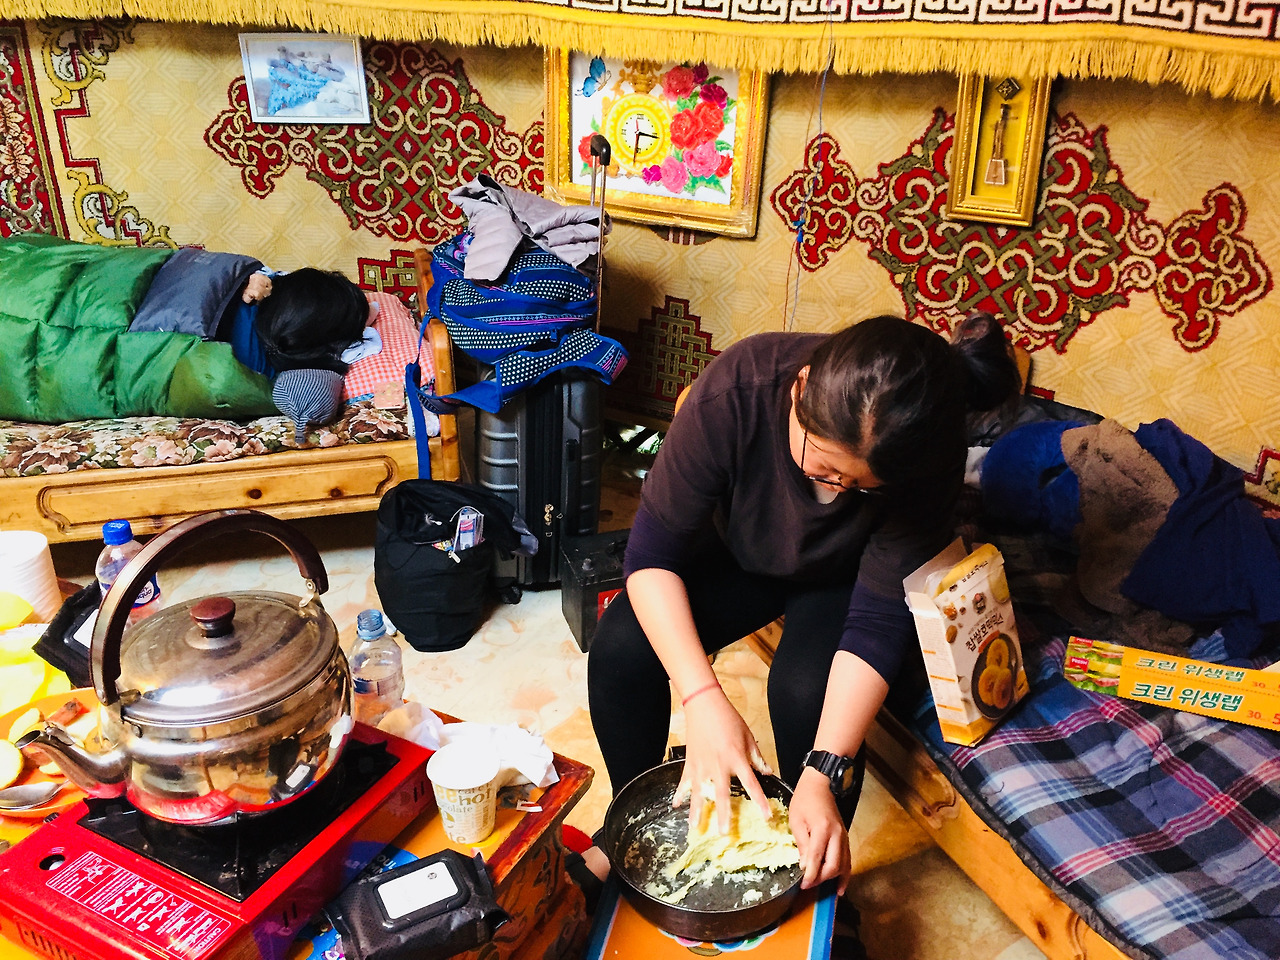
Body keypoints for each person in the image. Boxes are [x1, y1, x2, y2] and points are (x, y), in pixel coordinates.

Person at [584, 312, 1022, 905]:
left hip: (844, 579)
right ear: (799, 389)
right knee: (621, 646)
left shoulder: (924, 459)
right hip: (738, 549)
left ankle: (812, 871)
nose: (837, 491)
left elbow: (876, 622)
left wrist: (824, 772)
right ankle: (625, 829)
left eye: (860, 487)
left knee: (806, 692)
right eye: (825, 467)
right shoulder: (738, 388)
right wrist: (703, 698)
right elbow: (650, 557)